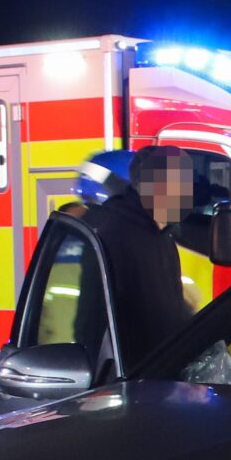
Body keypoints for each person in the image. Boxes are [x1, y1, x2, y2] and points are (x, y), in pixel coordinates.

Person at [75, 146, 196, 362]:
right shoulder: (111, 236)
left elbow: (170, 312)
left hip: (162, 374)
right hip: (133, 381)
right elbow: (91, 322)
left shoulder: (163, 235)